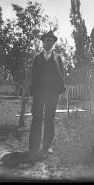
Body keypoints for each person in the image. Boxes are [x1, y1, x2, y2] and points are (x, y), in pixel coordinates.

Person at [28, 30, 66, 160]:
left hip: (52, 94)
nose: (49, 42)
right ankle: (33, 147)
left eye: (51, 41)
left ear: (53, 43)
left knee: (49, 120)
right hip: (39, 93)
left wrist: (60, 92)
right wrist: (32, 92)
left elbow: (62, 76)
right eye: (47, 40)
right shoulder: (37, 58)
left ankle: (46, 146)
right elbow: (33, 76)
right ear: (43, 42)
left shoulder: (58, 58)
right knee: (36, 119)